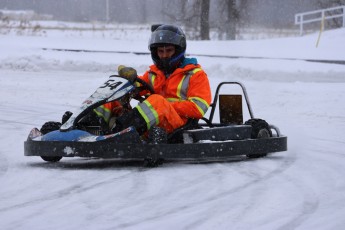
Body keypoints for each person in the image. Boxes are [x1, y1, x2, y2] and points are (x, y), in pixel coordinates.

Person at [94, 24, 212, 138]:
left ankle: (119, 132)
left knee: (157, 101)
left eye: (169, 50)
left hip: (178, 126)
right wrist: (127, 81)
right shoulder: (154, 73)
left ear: (178, 50)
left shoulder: (195, 74)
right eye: (161, 51)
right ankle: (90, 126)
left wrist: (166, 106)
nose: (164, 55)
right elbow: (138, 87)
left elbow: (198, 108)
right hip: (151, 123)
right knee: (114, 93)